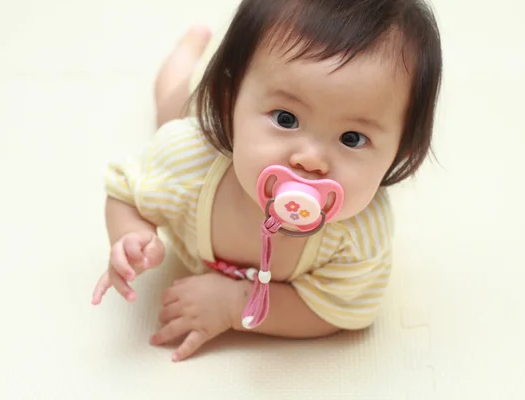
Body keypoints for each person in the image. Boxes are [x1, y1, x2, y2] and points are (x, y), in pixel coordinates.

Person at [91, 0, 443, 362]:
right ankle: (188, 49)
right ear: (228, 105)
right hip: (199, 115)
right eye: (286, 119)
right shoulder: (185, 160)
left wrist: (234, 305)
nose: (311, 160)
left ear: (401, 153)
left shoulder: (357, 235)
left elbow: (340, 311)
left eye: (352, 138)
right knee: (171, 106)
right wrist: (131, 236)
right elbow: (124, 191)